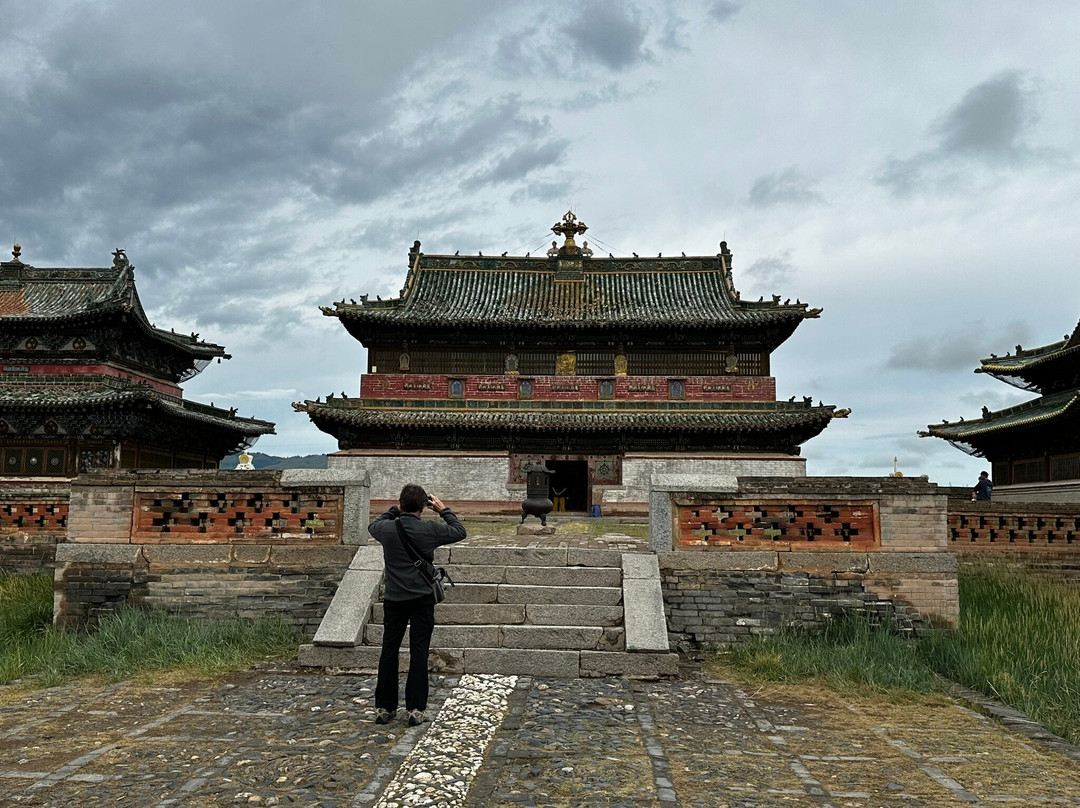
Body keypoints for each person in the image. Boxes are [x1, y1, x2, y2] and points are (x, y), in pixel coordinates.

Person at [368, 484, 466, 726]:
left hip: (394, 598)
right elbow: (459, 531)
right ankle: (415, 709)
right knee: (419, 652)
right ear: (424, 507)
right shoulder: (428, 530)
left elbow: (373, 525)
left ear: (401, 504)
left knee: (389, 650)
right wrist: (443, 510)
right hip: (422, 599)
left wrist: (394, 509)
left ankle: (384, 707)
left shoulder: (386, 529)